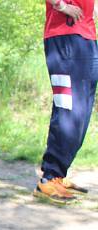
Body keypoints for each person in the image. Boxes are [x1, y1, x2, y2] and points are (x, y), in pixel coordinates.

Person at [35, 0, 95, 204]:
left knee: (82, 111)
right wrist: (61, 5)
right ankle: (49, 177)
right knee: (68, 107)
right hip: (64, 36)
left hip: (86, 35)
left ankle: (58, 175)